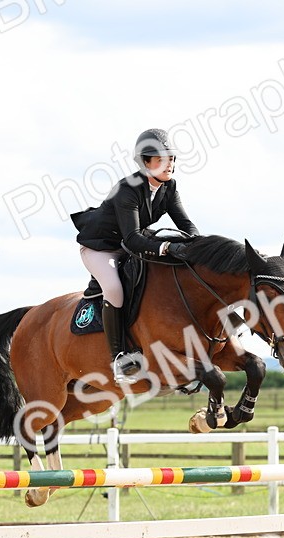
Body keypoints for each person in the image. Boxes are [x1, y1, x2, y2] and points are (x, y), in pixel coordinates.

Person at [72, 128, 200, 382]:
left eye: (172, 159)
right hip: (101, 248)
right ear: (145, 162)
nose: (170, 164)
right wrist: (166, 247)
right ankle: (119, 357)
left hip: (131, 244)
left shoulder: (169, 187)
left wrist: (200, 247)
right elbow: (132, 238)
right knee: (114, 288)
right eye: (162, 159)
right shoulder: (127, 189)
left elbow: (186, 225)